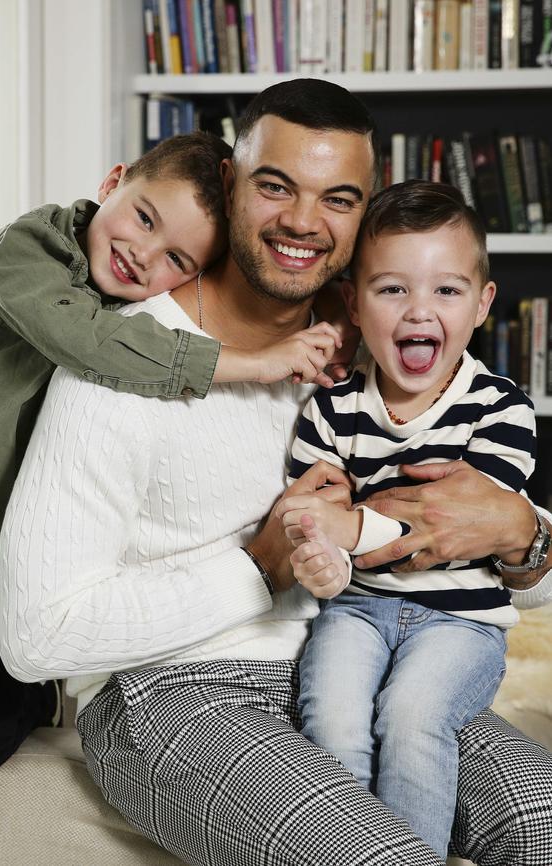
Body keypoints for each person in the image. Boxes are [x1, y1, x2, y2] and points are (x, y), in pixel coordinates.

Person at [0, 80, 552, 866]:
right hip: (176, 692)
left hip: (361, 657)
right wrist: (258, 566)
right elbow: (32, 637)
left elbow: (475, 542)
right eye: (275, 186)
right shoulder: (118, 364)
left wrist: (526, 531)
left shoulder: (381, 336)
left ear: (367, 218)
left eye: (338, 198)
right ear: (229, 184)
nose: (301, 221)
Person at [0, 130, 344, 776]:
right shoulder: (28, 249)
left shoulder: (141, 317)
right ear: (112, 183)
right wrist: (253, 362)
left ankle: (35, 695)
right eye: (143, 218)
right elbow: (84, 340)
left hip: (7, 564)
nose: (143, 255)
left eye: (178, 259)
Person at [276, 180, 540, 859]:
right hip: (355, 613)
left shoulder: (501, 409)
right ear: (354, 305)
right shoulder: (331, 411)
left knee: (412, 716)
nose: (419, 311)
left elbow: (458, 516)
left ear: (483, 304)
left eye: (446, 291)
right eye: (393, 290)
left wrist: (348, 522)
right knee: (331, 719)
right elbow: (312, 520)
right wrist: (322, 544)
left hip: (460, 623)